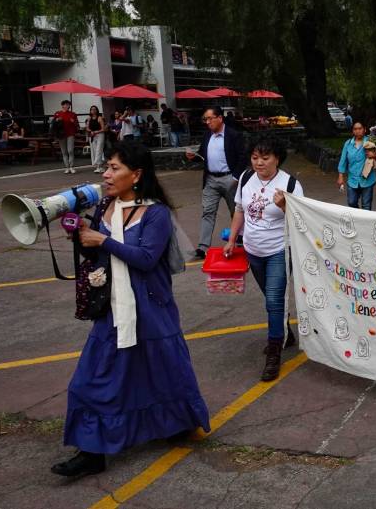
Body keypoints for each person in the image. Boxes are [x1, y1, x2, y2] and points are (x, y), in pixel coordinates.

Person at [51, 141, 210, 478]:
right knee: (91, 379)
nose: (106, 175)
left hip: (151, 309)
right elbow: (100, 256)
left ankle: (176, 424)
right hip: (114, 308)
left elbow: (147, 258)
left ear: (135, 175)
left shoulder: (156, 213)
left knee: (163, 372)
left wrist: (103, 240)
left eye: (114, 168)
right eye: (107, 167)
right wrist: (82, 236)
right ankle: (91, 451)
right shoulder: (105, 206)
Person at [224, 134, 304, 380]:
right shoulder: (246, 178)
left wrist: (284, 206)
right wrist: (232, 239)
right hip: (253, 251)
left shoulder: (290, 184)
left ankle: (274, 353)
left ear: (277, 158)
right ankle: (285, 333)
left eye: (265, 158)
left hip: (279, 250)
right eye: (255, 157)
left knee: (273, 300)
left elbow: (302, 221)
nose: (259, 163)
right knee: (271, 298)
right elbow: (239, 210)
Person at [186, 106, 247, 259]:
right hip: (210, 180)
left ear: (220, 118)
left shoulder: (234, 135)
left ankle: (240, 242)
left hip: (230, 179)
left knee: (236, 212)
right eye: (205, 119)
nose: (207, 122)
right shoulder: (207, 135)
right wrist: (193, 156)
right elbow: (202, 154)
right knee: (207, 212)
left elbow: (243, 156)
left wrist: (236, 177)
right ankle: (202, 248)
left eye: (209, 118)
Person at [337, 121, 376, 210]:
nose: (357, 131)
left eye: (360, 128)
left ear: (364, 130)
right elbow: (343, 161)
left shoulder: (371, 141)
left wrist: (374, 155)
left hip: (367, 179)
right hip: (352, 180)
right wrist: (340, 176)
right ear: (353, 131)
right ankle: (358, 216)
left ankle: (364, 218)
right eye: (355, 129)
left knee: (366, 206)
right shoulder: (348, 144)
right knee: (351, 203)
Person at [52, 99, 80, 174]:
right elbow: (53, 124)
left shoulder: (73, 114)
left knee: (70, 150)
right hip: (61, 135)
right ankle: (67, 167)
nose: (67, 106)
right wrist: (57, 120)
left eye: (68, 104)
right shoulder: (57, 113)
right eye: (65, 104)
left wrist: (73, 121)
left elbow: (77, 125)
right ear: (62, 105)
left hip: (70, 134)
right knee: (64, 152)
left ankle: (71, 167)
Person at [85, 105, 106, 173]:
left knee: (99, 150)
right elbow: (87, 127)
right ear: (90, 111)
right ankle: (99, 166)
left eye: (94, 109)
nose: (93, 110)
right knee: (94, 150)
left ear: (97, 110)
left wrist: (96, 132)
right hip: (92, 135)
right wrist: (91, 131)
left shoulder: (99, 118)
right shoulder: (89, 118)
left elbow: (103, 129)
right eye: (92, 109)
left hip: (100, 135)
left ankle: (98, 165)